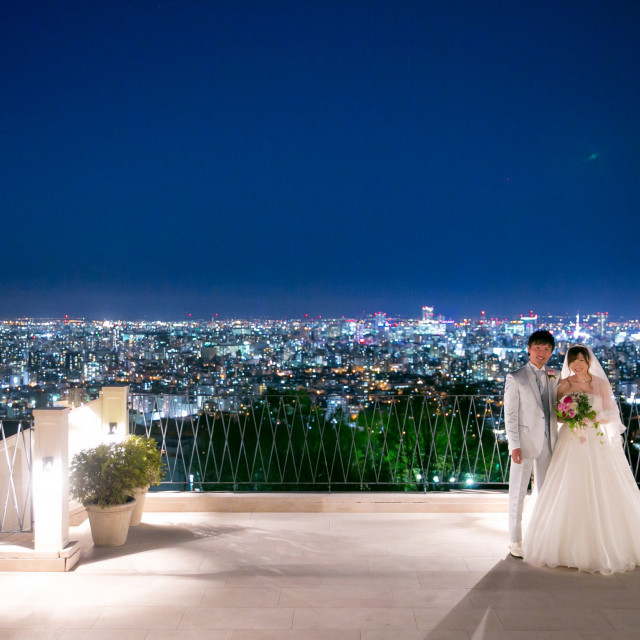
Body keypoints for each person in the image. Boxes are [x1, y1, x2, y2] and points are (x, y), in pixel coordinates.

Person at [523, 345, 640, 574]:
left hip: (596, 440)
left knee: (604, 486)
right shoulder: (563, 384)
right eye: (573, 360)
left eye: (581, 360)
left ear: (588, 361)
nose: (577, 364)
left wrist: (591, 417)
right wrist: (570, 415)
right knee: (569, 486)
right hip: (571, 440)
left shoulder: (600, 383)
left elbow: (610, 414)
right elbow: (556, 413)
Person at [504, 330, 558, 558]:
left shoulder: (554, 376)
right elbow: (511, 414)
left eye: (547, 349)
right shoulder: (515, 377)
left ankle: (543, 537)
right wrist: (513, 444)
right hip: (524, 444)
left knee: (547, 493)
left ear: (552, 352)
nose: (542, 353)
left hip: (550, 442)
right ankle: (515, 540)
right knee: (517, 493)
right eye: (538, 348)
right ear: (528, 349)